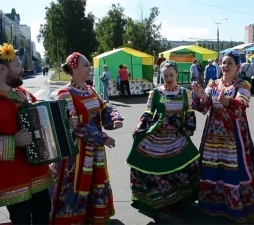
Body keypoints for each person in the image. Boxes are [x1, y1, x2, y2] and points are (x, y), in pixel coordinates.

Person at [191, 50, 254, 224]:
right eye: (223, 63)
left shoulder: (243, 85)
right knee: (212, 166)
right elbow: (204, 109)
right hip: (212, 136)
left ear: (238, 67)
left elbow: (242, 105)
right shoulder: (213, 83)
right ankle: (211, 204)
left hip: (234, 138)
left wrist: (226, 101)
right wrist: (202, 97)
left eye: (229, 63)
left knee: (234, 170)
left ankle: (235, 207)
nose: (225, 66)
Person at [49, 52, 124, 224]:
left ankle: (93, 217)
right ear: (74, 68)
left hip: (95, 150)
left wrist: (115, 117)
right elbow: (74, 124)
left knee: (95, 181)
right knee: (75, 186)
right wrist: (102, 137)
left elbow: (105, 108)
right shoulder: (65, 94)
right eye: (86, 65)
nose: (89, 68)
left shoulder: (90, 89)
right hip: (77, 154)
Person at [126, 60, 200, 214]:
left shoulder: (185, 93)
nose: (169, 78)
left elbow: (189, 113)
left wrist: (188, 129)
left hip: (177, 136)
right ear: (161, 76)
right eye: (165, 76)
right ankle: (159, 200)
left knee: (186, 163)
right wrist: (140, 127)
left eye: (171, 75)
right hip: (157, 135)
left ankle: (179, 198)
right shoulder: (155, 93)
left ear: (177, 74)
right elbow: (148, 113)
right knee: (151, 164)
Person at [0, 43, 53, 224]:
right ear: (2, 69)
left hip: (38, 173)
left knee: (43, 211)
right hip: (13, 178)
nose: (22, 69)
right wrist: (13, 141)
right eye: (17, 66)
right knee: (21, 219)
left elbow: (43, 114)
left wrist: (63, 121)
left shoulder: (23, 94)